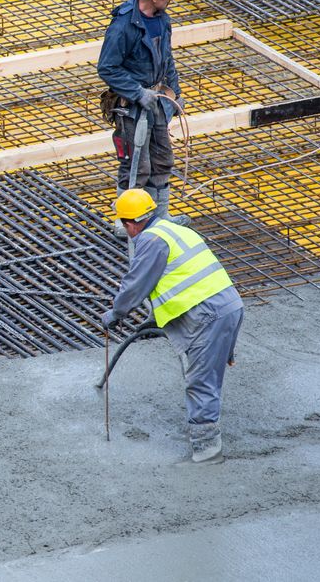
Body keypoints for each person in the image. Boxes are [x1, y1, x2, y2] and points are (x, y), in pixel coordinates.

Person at [101, 188, 244, 464]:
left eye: (124, 224)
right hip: (229, 306)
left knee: (200, 381)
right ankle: (205, 437)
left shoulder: (151, 241)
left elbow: (136, 285)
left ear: (130, 224)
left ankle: (207, 449)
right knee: (205, 375)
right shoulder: (175, 230)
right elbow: (180, 278)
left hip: (208, 315)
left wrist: (115, 314)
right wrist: (156, 320)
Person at [97, 0, 190, 228]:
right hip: (133, 107)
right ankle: (124, 221)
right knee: (135, 164)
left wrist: (175, 94)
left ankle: (160, 218)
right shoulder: (124, 26)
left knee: (162, 158)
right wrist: (137, 92)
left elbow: (167, 58)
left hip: (158, 102)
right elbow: (107, 67)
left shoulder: (162, 20)